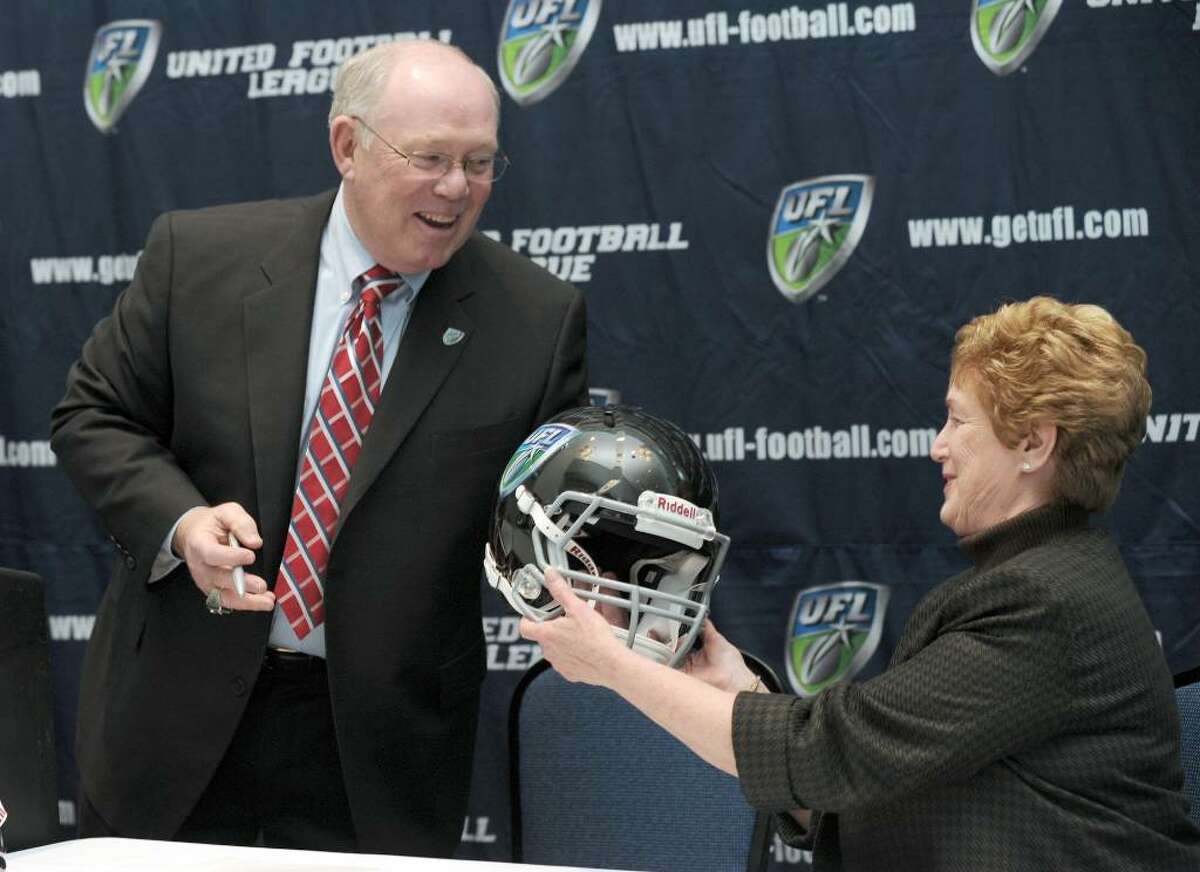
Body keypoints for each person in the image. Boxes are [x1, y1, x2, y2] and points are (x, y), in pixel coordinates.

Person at [49, 40, 587, 857]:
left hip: (378, 752)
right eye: (431, 158)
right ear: (348, 146)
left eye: (479, 162)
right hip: (173, 721)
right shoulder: (199, 258)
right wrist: (184, 524)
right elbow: (93, 415)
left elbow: (545, 524)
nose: (456, 188)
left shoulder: (536, 321)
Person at [522, 297, 1200, 870]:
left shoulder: (1042, 602)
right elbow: (869, 777)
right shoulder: (1047, 582)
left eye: (959, 420)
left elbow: (826, 754)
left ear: (1033, 444)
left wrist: (613, 667)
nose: (938, 445)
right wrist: (738, 688)